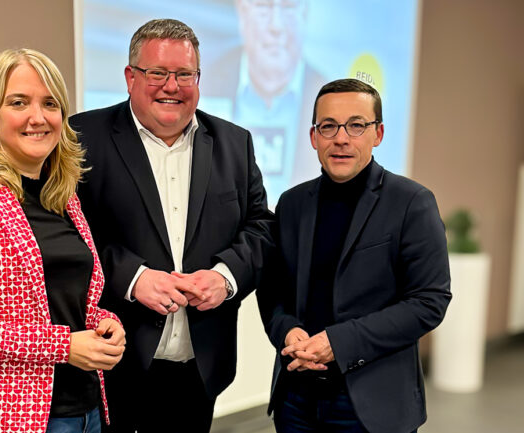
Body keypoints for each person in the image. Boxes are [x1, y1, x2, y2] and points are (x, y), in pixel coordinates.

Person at [70, 19, 274, 433]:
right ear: (130, 77)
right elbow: (68, 236)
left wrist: (225, 277)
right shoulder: (81, 137)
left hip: (200, 366)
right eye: (158, 73)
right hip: (114, 365)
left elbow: (261, 228)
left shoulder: (235, 143)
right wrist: (133, 278)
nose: (172, 86)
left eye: (184, 74)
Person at [0, 48, 126, 433]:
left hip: (89, 410)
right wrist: (63, 346)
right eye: (19, 102)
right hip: (12, 418)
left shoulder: (64, 196)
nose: (38, 117)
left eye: (50, 104)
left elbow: (65, 303)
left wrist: (104, 323)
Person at [257, 78, 451, 433]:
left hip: (372, 404)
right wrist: (286, 331)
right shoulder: (292, 203)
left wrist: (339, 343)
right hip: (296, 398)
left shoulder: (412, 203)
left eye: (356, 125)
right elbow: (272, 291)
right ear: (314, 137)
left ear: (377, 134)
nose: (341, 138)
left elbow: (429, 301)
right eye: (328, 126)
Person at [211, 0, 325, 202]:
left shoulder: (328, 97)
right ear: (242, 13)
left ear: (305, 15)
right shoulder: (206, 85)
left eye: (289, 8)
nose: (276, 26)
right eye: (264, 7)